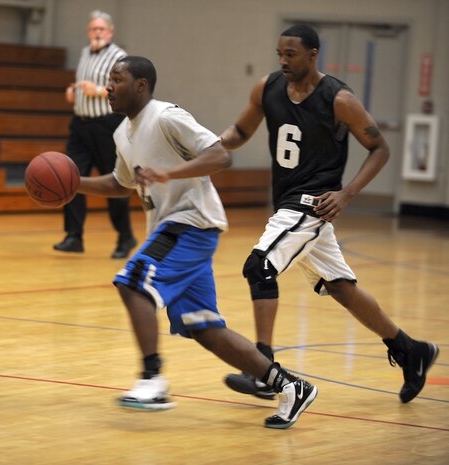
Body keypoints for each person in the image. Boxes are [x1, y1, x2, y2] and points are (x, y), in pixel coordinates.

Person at [78, 55, 319, 429]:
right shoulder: (122, 133)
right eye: (109, 81)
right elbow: (120, 183)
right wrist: (74, 185)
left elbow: (221, 155)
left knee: (133, 281)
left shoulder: (167, 116)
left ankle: (152, 379)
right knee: (204, 328)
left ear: (140, 85)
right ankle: (290, 387)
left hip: (190, 223)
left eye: (116, 79)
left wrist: (170, 172)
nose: (108, 87)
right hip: (172, 228)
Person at [219, 24, 439, 403]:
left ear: (313, 54)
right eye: (280, 54)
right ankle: (410, 350)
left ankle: (263, 370)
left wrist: (348, 193)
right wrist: (203, 146)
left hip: (312, 204)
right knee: (340, 288)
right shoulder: (267, 87)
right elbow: (239, 132)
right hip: (289, 202)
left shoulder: (339, 99)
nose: (284, 61)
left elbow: (380, 148)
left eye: (291, 54)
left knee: (260, 267)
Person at [54, 10, 137, 259]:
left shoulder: (118, 56)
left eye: (102, 29)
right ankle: (74, 236)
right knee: (72, 178)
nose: (97, 33)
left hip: (107, 126)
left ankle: (125, 237)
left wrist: (99, 90)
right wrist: (73, 91)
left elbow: (126, 88)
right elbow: (83, 84)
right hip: (80, 125)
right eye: (93, 29)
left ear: (110, 32)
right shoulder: (84, 53)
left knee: (114, 181)